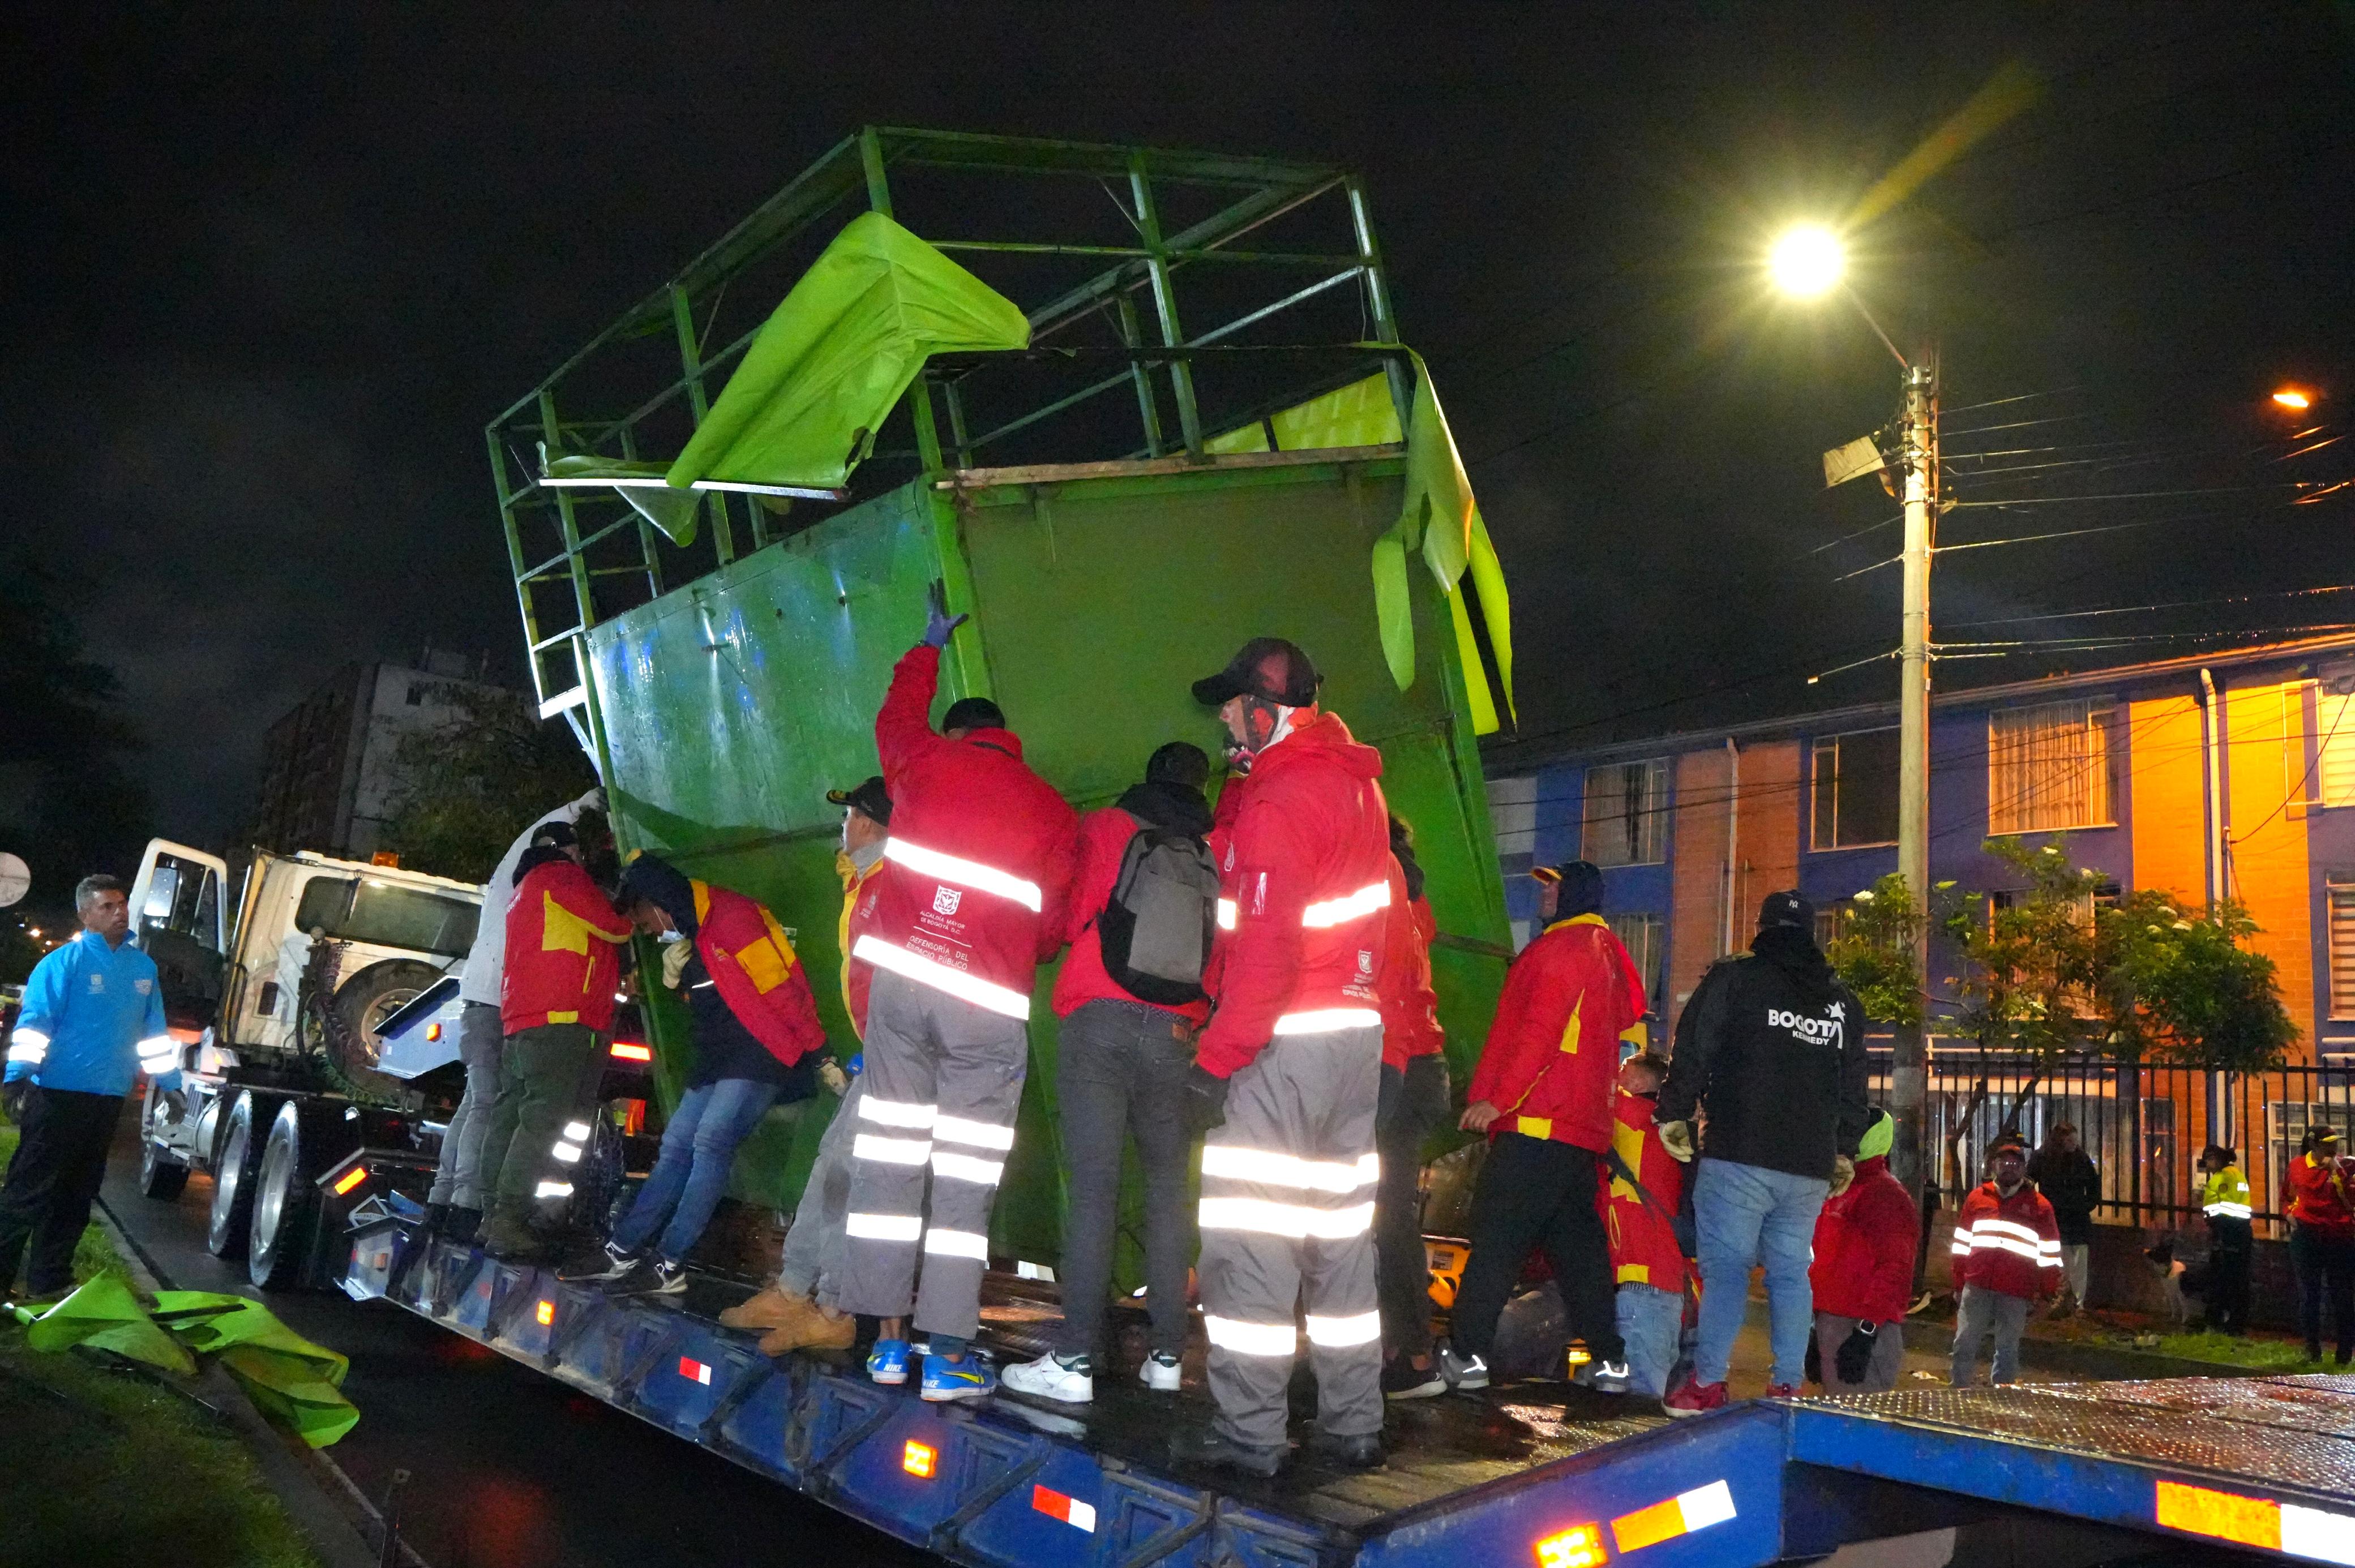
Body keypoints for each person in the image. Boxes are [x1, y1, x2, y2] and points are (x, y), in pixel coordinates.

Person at [840, 601, 1078, 1403]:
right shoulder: (1052, 811)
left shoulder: (924, 763)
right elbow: (1054, 928)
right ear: (1010, 740)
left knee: (891, 1168)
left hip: (903, 993)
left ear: (958, 730)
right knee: (962, 1180)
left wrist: (929, 641)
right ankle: (948, 1355)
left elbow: (894, 713)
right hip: (983, 1007)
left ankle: (885, 1345)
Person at [1168, 636, 1393, 1478]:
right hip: (1354, 1041)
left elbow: (1265, 952)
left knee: (1252, 1246)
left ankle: (1249, 1435)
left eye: (1231, 704)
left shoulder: (1284, 797)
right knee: (1339, 1242)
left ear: (1268, 710)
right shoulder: (1357, 786)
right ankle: (1352, 1422)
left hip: (1283, 1044)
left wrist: (1215, 1061)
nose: (1224, 718)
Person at [1004, 742, 1215, 1405]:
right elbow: (1220, 951)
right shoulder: (1214, 851)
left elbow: (1068, 914)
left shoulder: (1106, 826)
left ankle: (1072, 1363)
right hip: (1178, 1033)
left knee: (1094, 1193)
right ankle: (1165, 1358)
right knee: (1165, 1194)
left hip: (1100, 1020)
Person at [563, 855, 826, 1294]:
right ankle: (623, 1251)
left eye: (644, 921)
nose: (648, 931)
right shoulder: (694, 930)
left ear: (659, 902)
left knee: (709, 1142)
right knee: (676, 1145)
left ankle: (670, 1264)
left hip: (759, 1053)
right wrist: (680, 982)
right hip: (719, 1057)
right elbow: (713, 1003)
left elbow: (783, 988)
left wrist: (821, 1052)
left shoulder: (734, 918)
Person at [1658, 890, 1870, 1417]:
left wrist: (1675, 1112)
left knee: (1727, 1271)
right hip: (1808, 1166)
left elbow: (1695, 1046)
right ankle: (1788, 1386)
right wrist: (1843, 1149)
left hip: (1740, 1151)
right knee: (1790, 1272)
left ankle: (1707, 1382)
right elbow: (1855, 1082)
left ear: (1763, 927)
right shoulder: (1841, 1001)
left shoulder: (1736, 978)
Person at [1444, 861, 1645, 1396]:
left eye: (1553, 886)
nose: (1545, 894)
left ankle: (1466, 1355)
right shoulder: (1607, 957)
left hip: (1537, 1121)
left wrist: (1497, 1101)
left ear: (1575, 892)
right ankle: (1609, 1362)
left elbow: (1541, 1032)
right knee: (1580, 1251)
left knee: (1496, 1237)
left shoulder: (1563, 950)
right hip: (1579, 1131)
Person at [721, 776, 891, 1355]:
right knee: (834, 1167)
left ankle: (834, 1308)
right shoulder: (866, 881)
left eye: (849, 816)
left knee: (854, 1177)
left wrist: (889, 1043)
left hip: (901, 1058)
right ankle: (796, 1290)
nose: (843, 826)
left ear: (869, 822)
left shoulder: (891, 885)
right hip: (885, 1053)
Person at [425, 787, 605, 1241]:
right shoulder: (545, 874)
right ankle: (468, 1207)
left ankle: (445, 1200)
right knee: (491, 1104)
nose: (582, 858)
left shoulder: (522, 872)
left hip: (487, 998)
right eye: (578, 850)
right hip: (498, 1000)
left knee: (477, 1101)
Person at [0, 876, 175, 1304]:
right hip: (56, 1096)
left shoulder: (143, 969)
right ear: (86, 914)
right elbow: (36, 1023)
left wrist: (169, 1084)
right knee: (28, 1192)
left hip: (106, 1099)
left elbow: (153, 1034)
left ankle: (49, 1281)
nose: (120, 914)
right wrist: (17, 1077)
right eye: (108, 907)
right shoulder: (63, 964)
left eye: (123, 905)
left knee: (77, 1196)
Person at [476, 821, 633, 1260]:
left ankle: (492, 1216)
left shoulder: (524, 887)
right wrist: (630, 907)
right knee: (542, 1120)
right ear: (570, 852)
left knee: (509, 1115)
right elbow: (614, 927)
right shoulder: (563, 877)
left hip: (522, 1019)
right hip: (562, 1020)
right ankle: (510, 1220)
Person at [1373, 816, 1452, 1400]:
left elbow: (1388, 990)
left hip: (1396, 1064)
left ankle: (1408, 1351)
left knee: (1382, 1216)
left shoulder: (1382, 885)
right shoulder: (1413, 894)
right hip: (1423, 1065)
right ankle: (1403, 1347)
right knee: (1389, 1212)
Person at [1599, 1052, 1689, 1399]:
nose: (1618, 1075)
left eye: (1624, 1070)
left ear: (1637, 1084)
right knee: (1652, 1395)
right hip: (1662, 1281)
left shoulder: (1633, 1117)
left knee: (1638, 1406)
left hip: (1640, 1280)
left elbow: (1591, 1091)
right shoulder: (1664, 1129)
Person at [1809, 1108, 1918, 1393]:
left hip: (1862, 1326)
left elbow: (1896, 1266)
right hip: (1833, 1321)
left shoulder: (1884, 1194)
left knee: (1862, 1423)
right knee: (1839, 1421)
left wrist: (1866, 1331)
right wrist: (1813, 1327)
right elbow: (1819, 1257)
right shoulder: (1841, 1187)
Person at [1950, 1133, 2062, 1386]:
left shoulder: (2040, 1206)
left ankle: (2002, 1398)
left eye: (2015, 1164)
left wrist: (2047, 1292)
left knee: (2008, 1349)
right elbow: (1961, 1244)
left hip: (2015, 1290)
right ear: (1993, 1166)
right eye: (2003, 1163)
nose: (2009, 1168)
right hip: (1977, 1286)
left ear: (2023, 1168)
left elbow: (2050, 1252)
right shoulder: (1977, 1199)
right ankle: (1957, 1393)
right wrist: (1959, 1283)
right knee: (1964, 1343)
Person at [2287, 1126, 2355, 1365]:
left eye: (2335, 1143)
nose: (2333, 1148)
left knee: (2343, 1296)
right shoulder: (2297, 1165)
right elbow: (2288, 1194)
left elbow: (2350, 1196)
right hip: (2308, 1235)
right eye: (2327, 1144)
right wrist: (2289, 1212)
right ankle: (2312, 1349)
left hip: (2340, 1236)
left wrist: (2339, 1174)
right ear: (2314, 1145)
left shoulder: (2346, 1166)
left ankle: (2345, 1354)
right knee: (2309, 1295)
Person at [2027, 1122, 2100, 1314]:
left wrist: (2087, 1204)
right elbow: (2029, 1182)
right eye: (2069, 1140)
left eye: (2075, 1140)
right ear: (2059, 1141)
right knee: (2060, 1259)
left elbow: (2094, 1185)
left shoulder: (2080, 1159)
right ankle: (2060, 1298)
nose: (2074, 1144)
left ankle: (2077, 1302)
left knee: (2079, 1261)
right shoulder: (2042, 1158)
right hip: (2057, 1217)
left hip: (2077, 1217)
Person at [2194, 1144, 2253, 1335]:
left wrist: (2215, 1228)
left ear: (2215, 1159)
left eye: (2208, 1161)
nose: (2208, 1166)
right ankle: (2236, 1324)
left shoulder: (2221, 1178)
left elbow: (2217, 1211)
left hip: (2226, 1233)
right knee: (2239, 1282)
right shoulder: (2238, 1174)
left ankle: (2217, 1323)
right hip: (2242, 1233)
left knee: (2221, 1280)